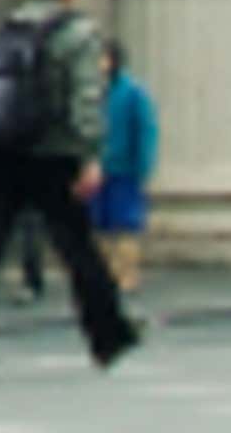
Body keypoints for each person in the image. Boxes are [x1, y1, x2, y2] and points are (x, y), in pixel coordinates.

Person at [0, 0, 139, 384]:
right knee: (77, 248)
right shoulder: (78, 34)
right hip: (51, 155)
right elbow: (87, 98)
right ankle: (108, 337)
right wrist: (90, 156)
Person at [92, 39, 157, 301]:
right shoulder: (94, 92)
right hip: (97, 167)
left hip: (124, 167)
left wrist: (143, 165)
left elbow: (145, 131)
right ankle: (106, 274)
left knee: (125, 224)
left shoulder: (133, 93)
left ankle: (126, 275)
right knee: (101, 225)